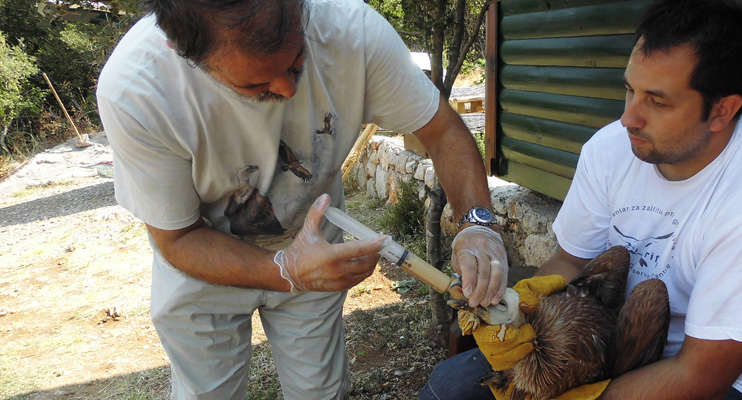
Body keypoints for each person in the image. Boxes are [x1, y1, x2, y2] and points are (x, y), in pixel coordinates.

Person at [96, 0, 510, 398]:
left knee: (321, 391)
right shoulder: (137, 90)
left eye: (297, 62)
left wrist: (477, 225)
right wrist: (287, 270)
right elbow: (179, 238)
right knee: (207, 393)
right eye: (255, 84)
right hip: (204, 265)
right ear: (181, 50)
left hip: (317, 249)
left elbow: (442, 129)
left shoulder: (353, 33)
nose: (288, 90)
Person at [420, 0, 742, 399]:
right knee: (447, 389)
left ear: (722, 111)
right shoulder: (611, 149)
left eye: (657, 101)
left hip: (722, 380)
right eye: (629, 90)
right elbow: (571, 261)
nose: (628, 118)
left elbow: (700, 375)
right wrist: (519, 310)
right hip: (603, 340)